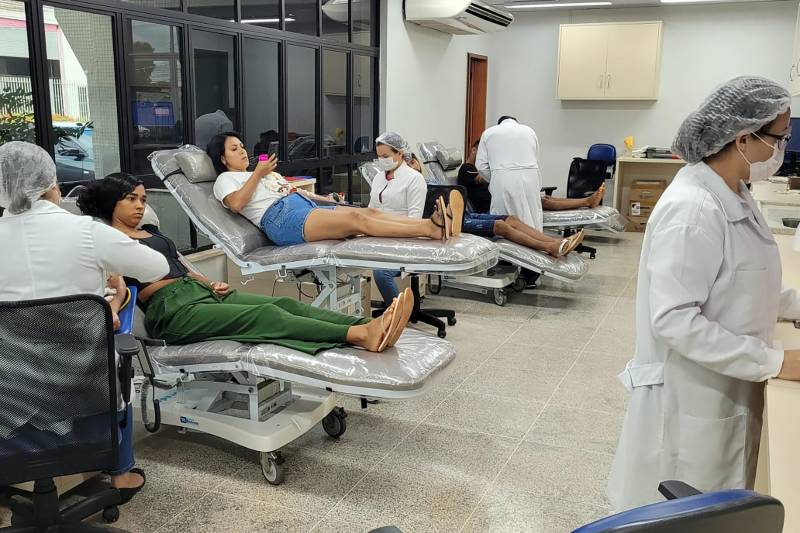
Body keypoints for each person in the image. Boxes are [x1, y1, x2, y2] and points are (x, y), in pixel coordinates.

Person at [607, 76, 800, 512]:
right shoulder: (693, 209)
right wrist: (775, 361)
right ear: (743, 138)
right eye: (778, 139)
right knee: (687, 511)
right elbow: (675, 320)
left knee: (713, 506)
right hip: (692, 394)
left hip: (724, 385)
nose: (781, 150)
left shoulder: (735, 192)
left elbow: (747, 283)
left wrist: (793, 306)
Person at [77, 173, 415, 354]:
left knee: (283, 304)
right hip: (172, 312)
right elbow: (114, 286)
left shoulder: (150, 231)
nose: (140, 206)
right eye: (131, 199)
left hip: (198, 293)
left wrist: (209, 282)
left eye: (143, 199)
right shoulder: (107, 240)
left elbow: (180, 264)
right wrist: (115, 302)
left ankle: (369, 322)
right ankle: (360, 334)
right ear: (110, 203)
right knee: (266, 316)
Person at [0, 141, 170, 500]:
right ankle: (121, 475)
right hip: (81, 381)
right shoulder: (85, 231)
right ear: (51, 184)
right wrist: (115, 289)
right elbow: (157, 267)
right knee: (117, 361)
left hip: (14, 386)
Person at [207, 132, 464, 247]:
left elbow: (297, 192)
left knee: (367, 212)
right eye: (234, 149)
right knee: (356, 221)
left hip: (300, 207)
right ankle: (430, 229)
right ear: (222, 159)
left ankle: (429, 225)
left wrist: (327, 199)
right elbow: (237, 204)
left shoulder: (260, 174)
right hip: (281, 219)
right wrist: (258, 174)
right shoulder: (225, 180)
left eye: (242, 146)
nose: (242, 151)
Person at [410, 149, 585, 257]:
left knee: (512, 219)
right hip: (449, 222)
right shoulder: (411, 184)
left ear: (418, 162)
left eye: (413, 161)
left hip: (464, 215)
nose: (412, 166)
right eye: (407, 163)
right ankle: (548, 247)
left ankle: (557, 241)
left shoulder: (429, 180)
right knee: (500, 226)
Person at [464, 137, 606, 215]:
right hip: (493, 206)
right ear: (474, 150)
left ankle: (586, 201)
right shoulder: (466, 169)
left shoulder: (480, 169)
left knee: (545, 199)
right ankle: (586, 201)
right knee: (544, 202)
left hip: (505, 199)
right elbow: (481, 178)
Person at [368, 132, 428, 308]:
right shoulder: (379, 178)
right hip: (380, 239)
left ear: (400, 153)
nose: (382, 160)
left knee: (381, 273)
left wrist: (385, 231)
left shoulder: (414, 179)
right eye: (379, 156)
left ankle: (399, 315)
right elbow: (371, 210)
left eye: (386, 156)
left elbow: (414, 221)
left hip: (407, 242)